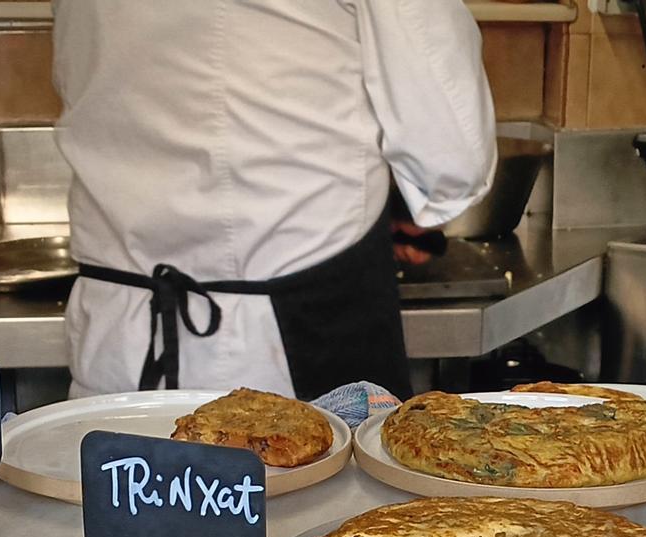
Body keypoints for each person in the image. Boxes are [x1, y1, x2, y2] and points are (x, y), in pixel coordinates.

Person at [52, 0, 497, 400]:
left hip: (117, 342)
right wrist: (415, 200)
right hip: (294, 346)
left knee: (118, 486)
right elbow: (450, 153)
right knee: (326, 490)